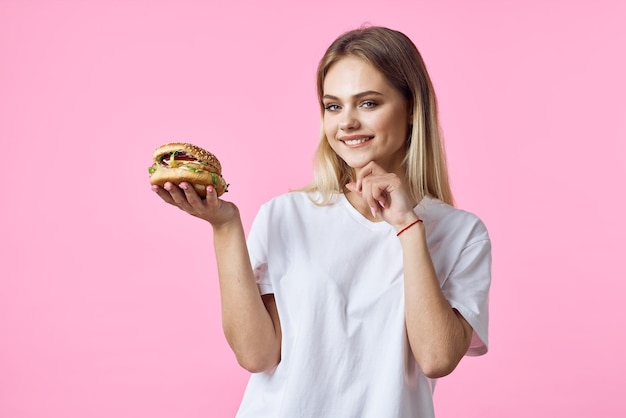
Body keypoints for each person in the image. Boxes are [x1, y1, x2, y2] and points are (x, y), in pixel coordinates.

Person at [152, 25, 491, 418]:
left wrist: (407, 225)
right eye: (333, 106)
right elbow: (257, 354)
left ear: (412, 107)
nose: (346, 122)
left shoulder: (463, 233)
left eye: (367, 103)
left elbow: (436, 358)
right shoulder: (286, 215)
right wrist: (225, 226)